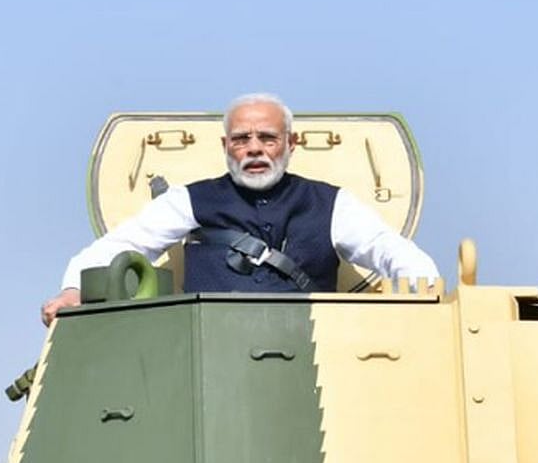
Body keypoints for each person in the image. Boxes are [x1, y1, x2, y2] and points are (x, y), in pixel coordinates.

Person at [42, 93, 439, 326]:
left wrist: (425, 290)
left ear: (289, 143)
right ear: (225, 146)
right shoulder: (189, 201)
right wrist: (74, 288)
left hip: (313, 355)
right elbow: (126, 243)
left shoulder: (330, 204)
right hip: (211, 354)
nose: (254, 148)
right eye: (241, 138)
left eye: (267, 138)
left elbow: (388, 249)